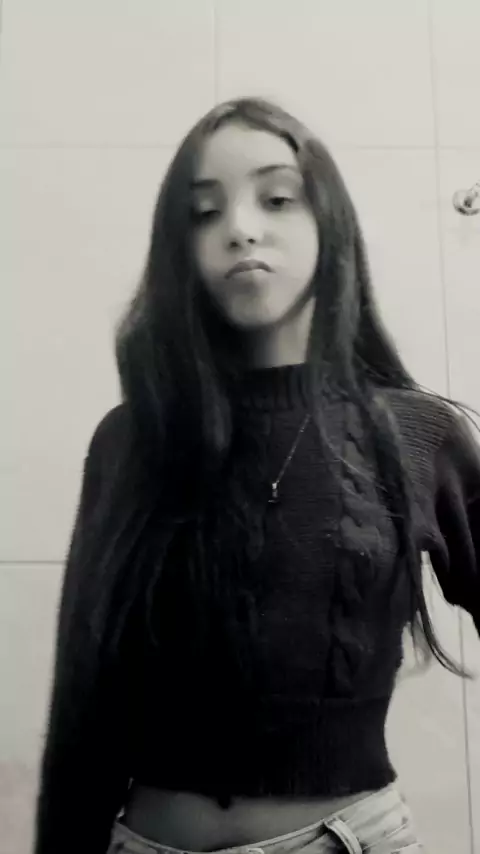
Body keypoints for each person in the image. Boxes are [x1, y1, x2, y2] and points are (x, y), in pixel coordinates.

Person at [33, 97, 480, 854]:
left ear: (329, 223)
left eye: (277, 198)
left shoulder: (419, 435)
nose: (240, 228)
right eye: (204, 212)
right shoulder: (130, 441)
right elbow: (84, 704)